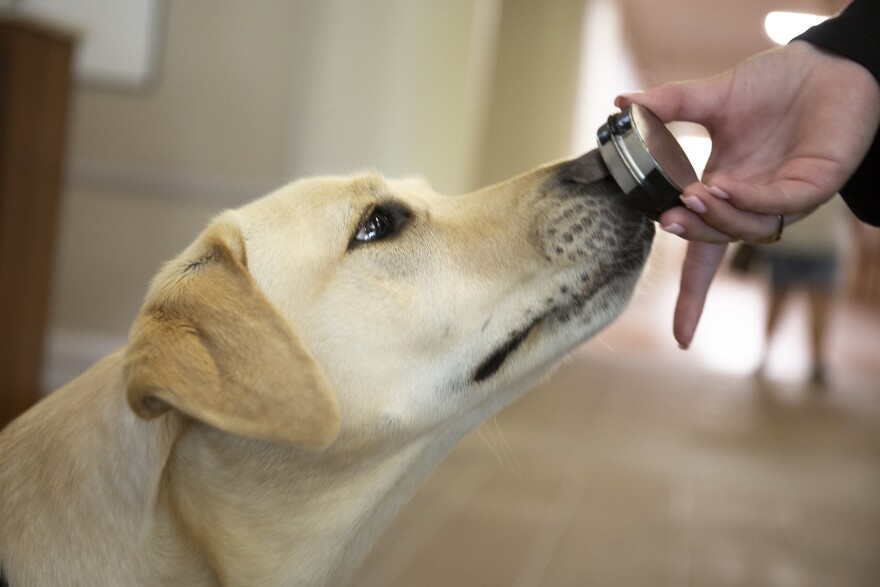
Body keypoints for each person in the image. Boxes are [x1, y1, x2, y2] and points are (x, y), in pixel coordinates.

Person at [615, 0, 880, 349]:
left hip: (815, 244)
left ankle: (811, 360)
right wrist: (858, 51)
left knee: (813, 303)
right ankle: (772, 352)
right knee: (784, 297)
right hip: (801, 242)